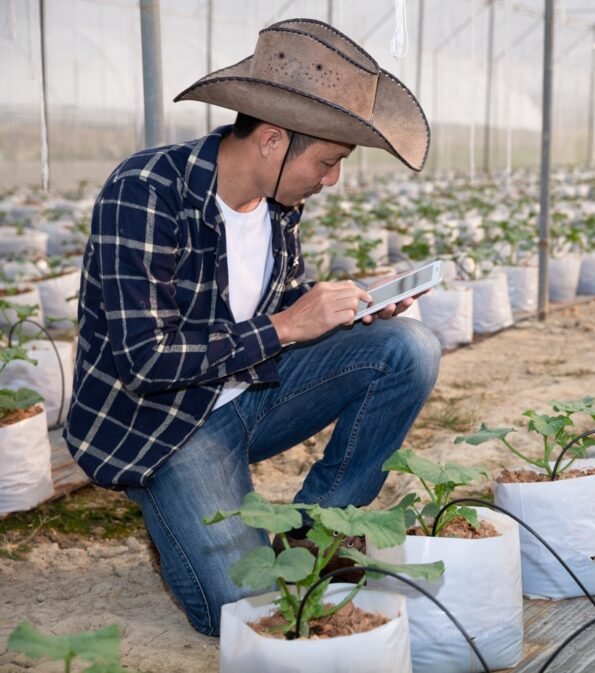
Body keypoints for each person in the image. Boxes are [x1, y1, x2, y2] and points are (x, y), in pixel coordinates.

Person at [64, 19, 440, 636]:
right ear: (271, 140)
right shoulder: (147, 190)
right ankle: (176, 512)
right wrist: (289, 327)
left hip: (252, 395)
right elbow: (143, 363)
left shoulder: (277, 209)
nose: (331, 179)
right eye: (327, 160)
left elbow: (274, 306)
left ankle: (318, 532)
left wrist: (346, 311)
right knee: (249, 614)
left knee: (406, 348)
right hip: (163, 426)